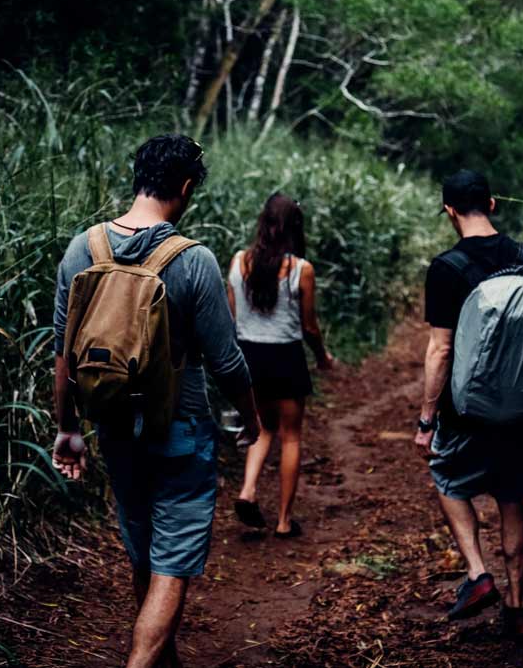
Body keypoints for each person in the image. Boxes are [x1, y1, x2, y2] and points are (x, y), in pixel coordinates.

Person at [50, 134, 261, 668]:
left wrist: (67, 428)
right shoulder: (193, 261)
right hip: (182, 429)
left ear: (137, 175)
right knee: (172, 565)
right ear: (186, 188)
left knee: (143, 547)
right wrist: (250, 420)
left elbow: (63, 357)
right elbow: (226, 361)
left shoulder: (83, 248)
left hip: (114, 424)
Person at [413, 169, 523, 639]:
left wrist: (426, 418)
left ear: (450, 211)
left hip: (467, 407)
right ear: (492, 203)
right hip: (521, 405)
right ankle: (516, 605)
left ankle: (478, 574)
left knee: (448, 478)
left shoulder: (447, 268)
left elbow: (441, 349)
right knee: (511, 495)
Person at [227, 192, 335, 538]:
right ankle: (285, 521)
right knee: (290, 438)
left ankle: (247, 490)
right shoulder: (301, 270)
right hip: (286, 358)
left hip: (249, 357)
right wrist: (322, 357)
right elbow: (309, 327)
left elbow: (232, 317)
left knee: (260, 427)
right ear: (295, 227)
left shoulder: (238, 262)